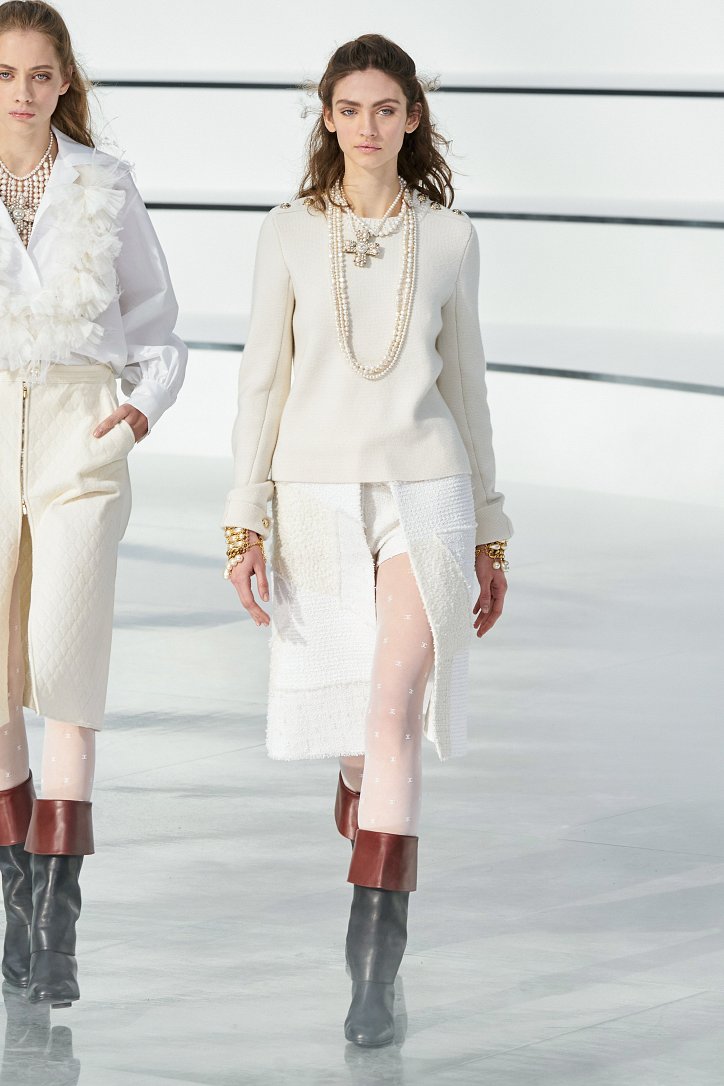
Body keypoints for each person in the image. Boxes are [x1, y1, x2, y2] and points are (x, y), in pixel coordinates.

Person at [224, 33, 512, 1047]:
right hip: (313, 493)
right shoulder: (287, 233)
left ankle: (373, 976)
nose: (368, 125)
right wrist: (244, 516)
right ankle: (353, 783)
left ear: (412, 118)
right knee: (362, 735)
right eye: (350, 108)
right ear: (328, 117)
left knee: (393, 712)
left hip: (426, 490)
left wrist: (490, 531)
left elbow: (467, 389)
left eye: (386, 108)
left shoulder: (451, 238)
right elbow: (260, 381)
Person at [0, 1, 186, 1007]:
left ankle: (58, 921)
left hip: (80, 428)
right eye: (4, 74)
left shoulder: (105, 185)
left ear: (66, 79)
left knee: (68, 661)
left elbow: (157, 325)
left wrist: (140, 409)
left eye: (40, 73)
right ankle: (16, 895)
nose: (23, 93)